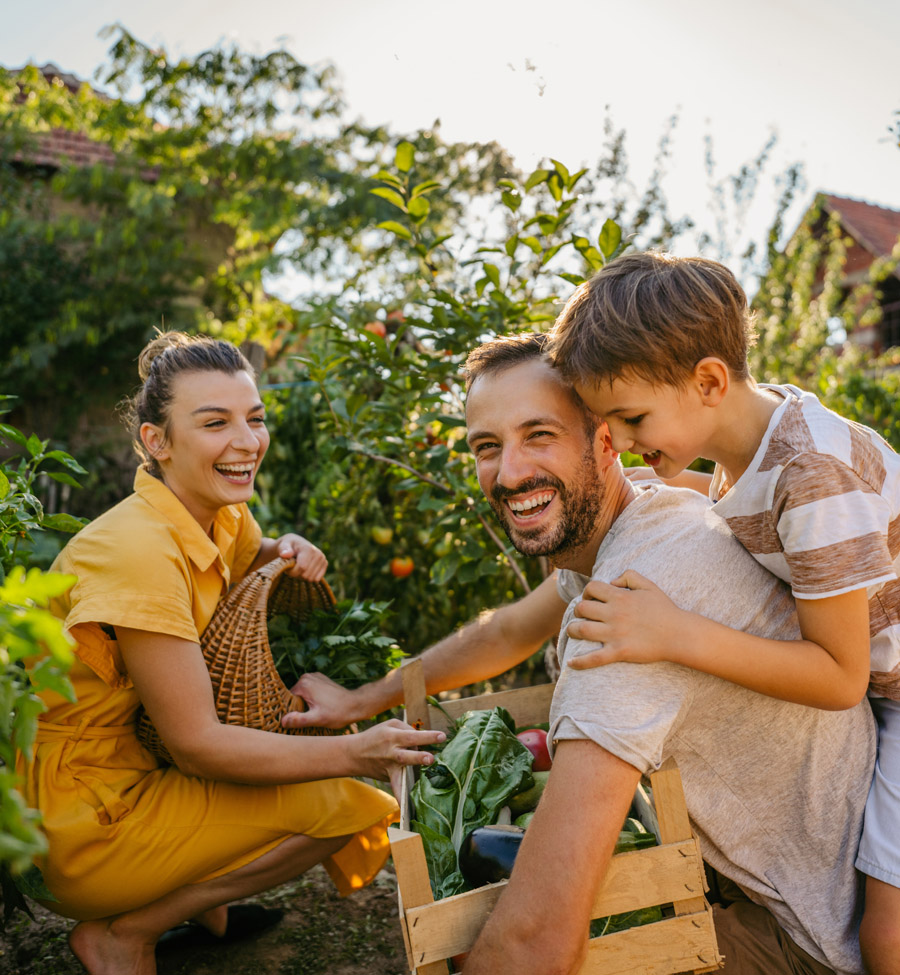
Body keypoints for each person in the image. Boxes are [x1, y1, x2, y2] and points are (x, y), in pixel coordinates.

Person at [289, 333, 876, 975]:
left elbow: (538, 944)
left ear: (607, 442)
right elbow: (505, 631)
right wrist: (364, 699)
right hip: (774, 884)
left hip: (807, 940)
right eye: (488, 446)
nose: (509, 473)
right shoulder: (642, 515)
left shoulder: (627, 608)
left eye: (539, 435)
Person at [16, 331, 445, 975]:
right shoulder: (137, 552)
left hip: (141, 764)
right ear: (157, 442)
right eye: (216, 422)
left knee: (318, 784)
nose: (247, 442)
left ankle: (197, 903)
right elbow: (197, 744)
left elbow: (243, 553)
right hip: (83, 819)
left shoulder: (216, 512)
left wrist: (283, 547)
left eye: (255, 418)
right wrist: (357, 751)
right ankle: (128, 930)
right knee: (348, 803)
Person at [545, 252, 900, 975]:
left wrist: (675, 633)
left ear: (708, 380)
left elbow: (838, 675)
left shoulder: (810, 474)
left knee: (886, 939)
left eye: (631, 417)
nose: (621, 439)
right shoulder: (745, 449)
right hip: (884, 685)